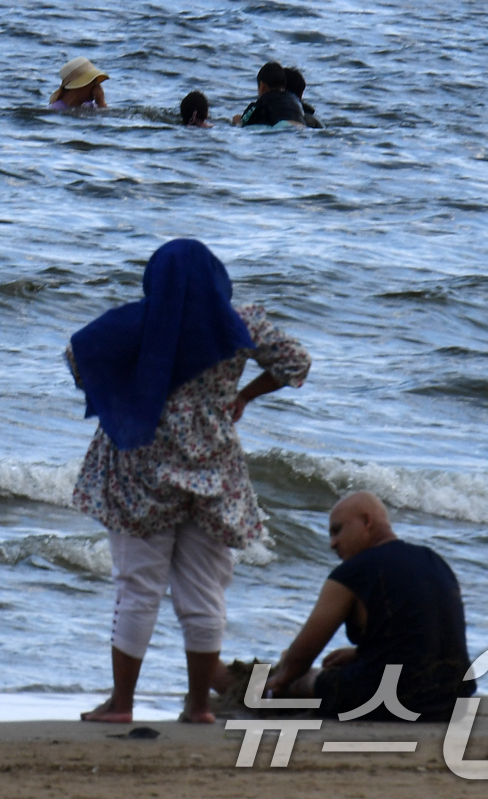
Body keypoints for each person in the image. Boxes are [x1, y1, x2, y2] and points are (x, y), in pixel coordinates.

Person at [67, 239, 311, 724]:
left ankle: (122, 704)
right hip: (212, 467)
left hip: (139, 467)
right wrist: (244, 394)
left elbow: (79, 357)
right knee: (204, 593)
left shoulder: (137, 322)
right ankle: (199, 706)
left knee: (137, 588)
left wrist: (126, 391)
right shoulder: (237, 322)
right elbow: (295, 363)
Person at [265, 492, 475, 720]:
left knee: (305, 677)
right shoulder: (434, 560)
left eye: (337, 530)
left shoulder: (353, 572)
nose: (332, 543)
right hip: (454, 700)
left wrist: (281, 681)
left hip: (397, 701)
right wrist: (361, 653)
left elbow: (303, 654)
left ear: (367, 521)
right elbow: (430, 632)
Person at [231, 62, 304, 127]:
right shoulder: (293, 99)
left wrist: (237, 120)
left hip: (283, 126)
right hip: (301, 126)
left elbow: (243, 122)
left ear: (262, 87)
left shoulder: (264, 99)